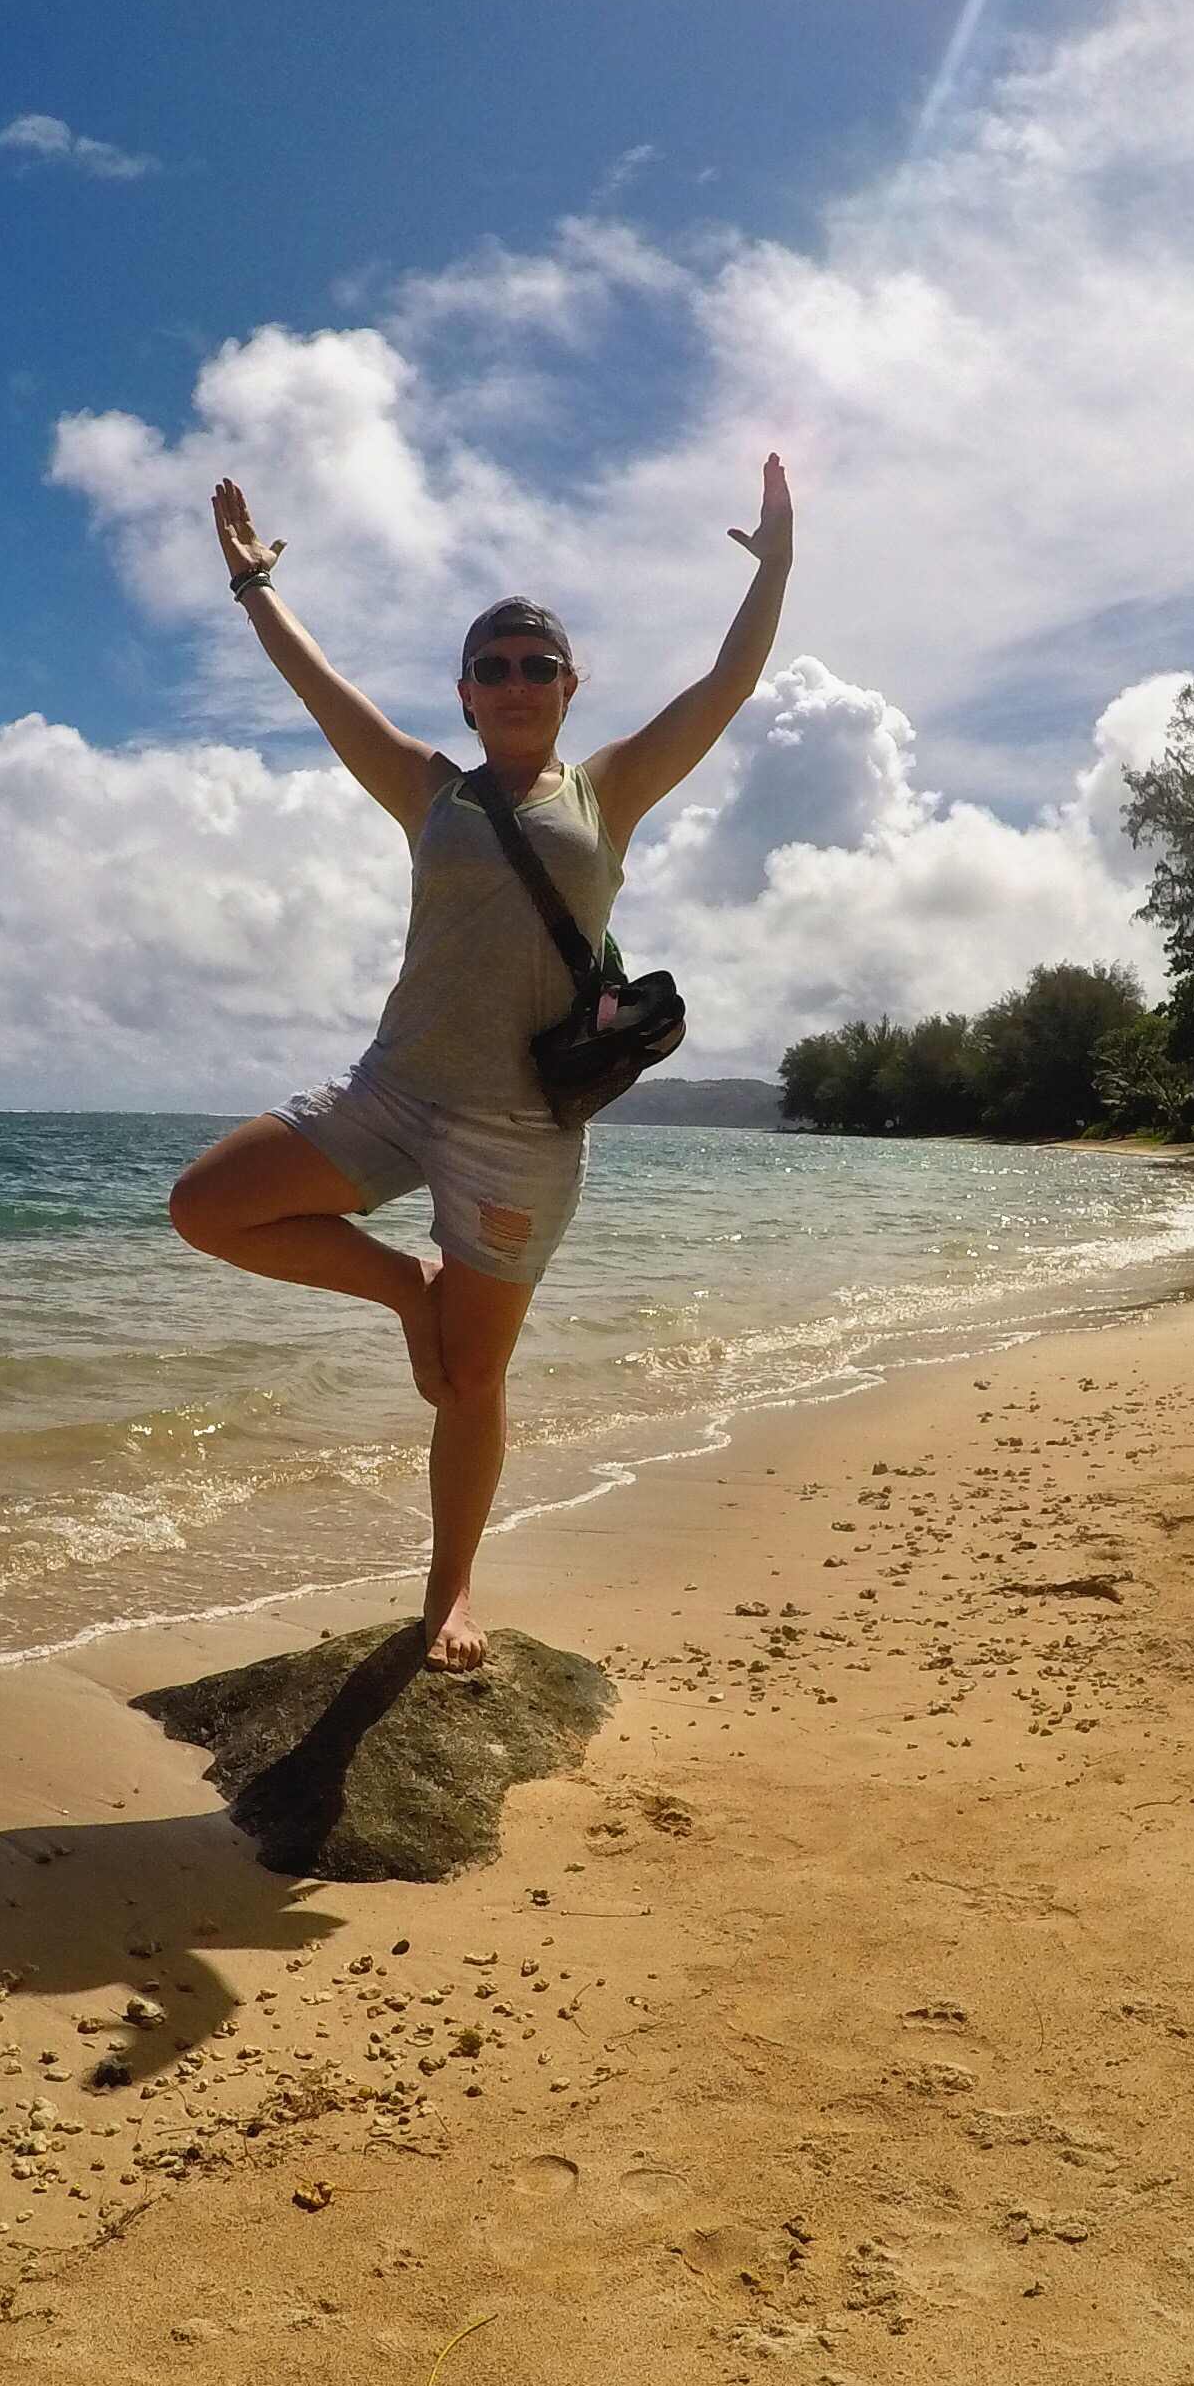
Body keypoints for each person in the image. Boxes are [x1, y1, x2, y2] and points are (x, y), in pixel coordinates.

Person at [169, 456, 796, 1672]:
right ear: (464, 694)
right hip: (390, 1093)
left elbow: (726, 685)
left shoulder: (607, 794)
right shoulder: (429, 793)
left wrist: (772, 569)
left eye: (537, 666)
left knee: (468, 1381)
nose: (516, 683)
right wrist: (252, 586)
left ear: (568, 687)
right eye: (494, 668)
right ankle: (411, 1287)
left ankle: (449, 1589)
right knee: (207, 1206)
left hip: (522, 1133)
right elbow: (318, 687)